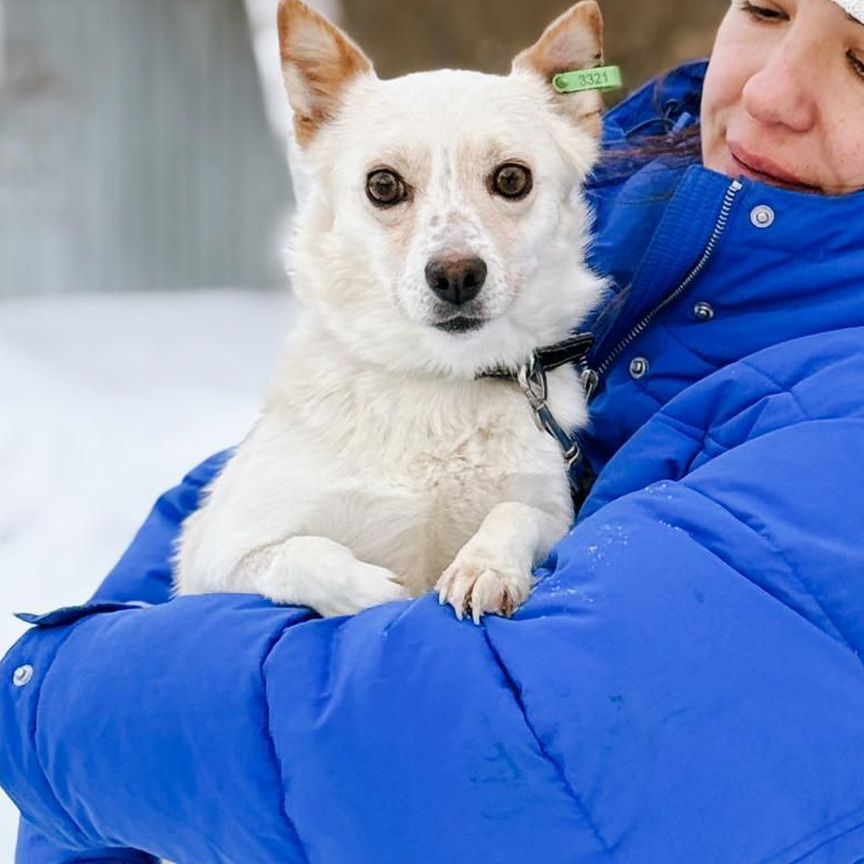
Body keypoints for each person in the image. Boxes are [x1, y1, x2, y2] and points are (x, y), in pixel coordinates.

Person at [3, 0, 864, 861]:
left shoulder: (833, 417)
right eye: (763, 6)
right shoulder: (631, 237)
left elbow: (480, 764)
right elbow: (188, 553)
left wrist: (50, 702)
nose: (772, 92)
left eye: (863, 62)